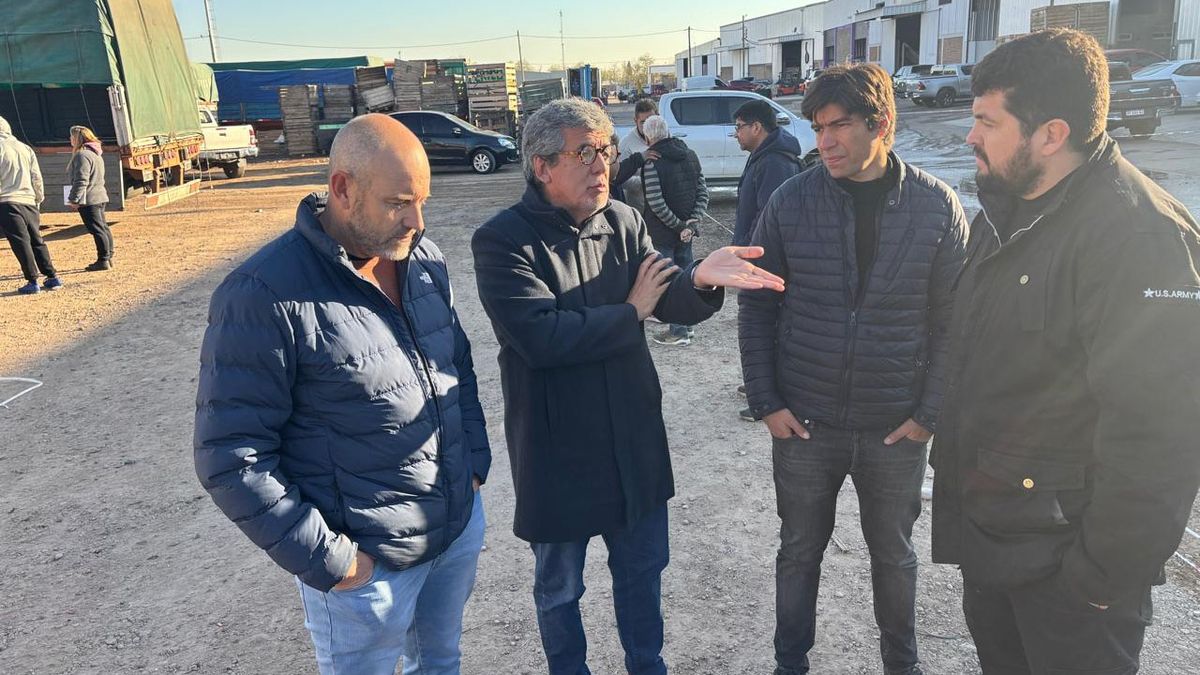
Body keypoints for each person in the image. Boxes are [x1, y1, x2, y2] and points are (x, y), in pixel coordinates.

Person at [470, 97, 784, 675]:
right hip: (557, 445)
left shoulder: (623, 220)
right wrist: (631, 312)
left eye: (607, 151)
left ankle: (648, 665)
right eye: (583, 153)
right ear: (541, 165)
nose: (601, 166)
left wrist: (702, 280)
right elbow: (540, 338)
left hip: (632, 439)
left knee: (642, 574)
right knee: (560, 589)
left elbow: (668, 297)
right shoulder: (503, 241)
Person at [931, 28, 1200, 675]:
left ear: (1051, 134)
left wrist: (1098, 576)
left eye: (987, 122)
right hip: (996, 548)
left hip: (1069, 579)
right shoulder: (1007, 212)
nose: (970, 137)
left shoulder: (1140, 235)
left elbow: (1161, 434)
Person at [194, 114, 491, 675]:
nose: (417, 220)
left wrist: (473, 468)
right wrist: (336, 561)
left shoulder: (423, 262)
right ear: (342, 188)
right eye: (399, 202)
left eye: (422, 200)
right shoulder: (263, 295)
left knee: (442, 662)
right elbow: (230, 456)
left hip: (451, 531)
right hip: (366, 568)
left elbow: (459, 366)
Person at [738, 63, 968, 675]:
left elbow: (954, 323)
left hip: (894, 426)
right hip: (806, 422)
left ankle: (903, 665)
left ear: (882, 123)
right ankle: (791, 664)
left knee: (893, 557)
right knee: (798, 552)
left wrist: (929, 414)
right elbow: (758, 302)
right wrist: (767, 400)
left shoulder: (937, 207)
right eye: (817, 127)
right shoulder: (792, 200)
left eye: (839, 126)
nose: (825, 142)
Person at [730, 99, 807, 419]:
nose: (735, 135)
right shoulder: (763, 157)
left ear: (757, 127)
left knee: (769, 326)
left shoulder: (775, 162)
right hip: (755, 254)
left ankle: (771, 395)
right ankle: (761, 383)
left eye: (739, 128)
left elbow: (771, 217)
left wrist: (751, 252)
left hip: (766, 259)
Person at [638, 114, 709, 346]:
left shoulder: (652, 162)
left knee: (668, 282)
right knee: (687, 278)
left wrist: (680, 226)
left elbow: (656, 203)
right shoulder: (690, 155)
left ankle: (678, 331)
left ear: (648, 137)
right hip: (686, 232)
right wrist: (692, 223)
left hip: (663, 233)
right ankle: (687, 327)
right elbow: (703, 192)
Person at [0, 116, 60, 294]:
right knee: (36, 240)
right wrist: (38, 198)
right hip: (29, 200)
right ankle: (52, 276)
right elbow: (36, 176)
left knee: (20, 242)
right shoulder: (25, 148)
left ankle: (32, 280)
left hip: (7, 200)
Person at [65, 125, 113, 271]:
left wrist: (74, 199)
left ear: (77, 138)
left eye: (71, 136)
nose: (70, 139)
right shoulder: (95, 153)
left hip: (90, 199)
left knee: (97, 229)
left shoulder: (82, 155)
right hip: (99, 196)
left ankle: (103, 259)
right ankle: (108, 257)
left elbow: (81, 180)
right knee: (102, 228)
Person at [612, 97, 659, 211]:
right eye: (643, 122)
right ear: (635, 121)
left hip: (662, 206)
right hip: (639, 208)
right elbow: (618, 177)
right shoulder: (626, 144)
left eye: (651, 120)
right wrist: (646, 181)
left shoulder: (664, 137)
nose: (647, 126)